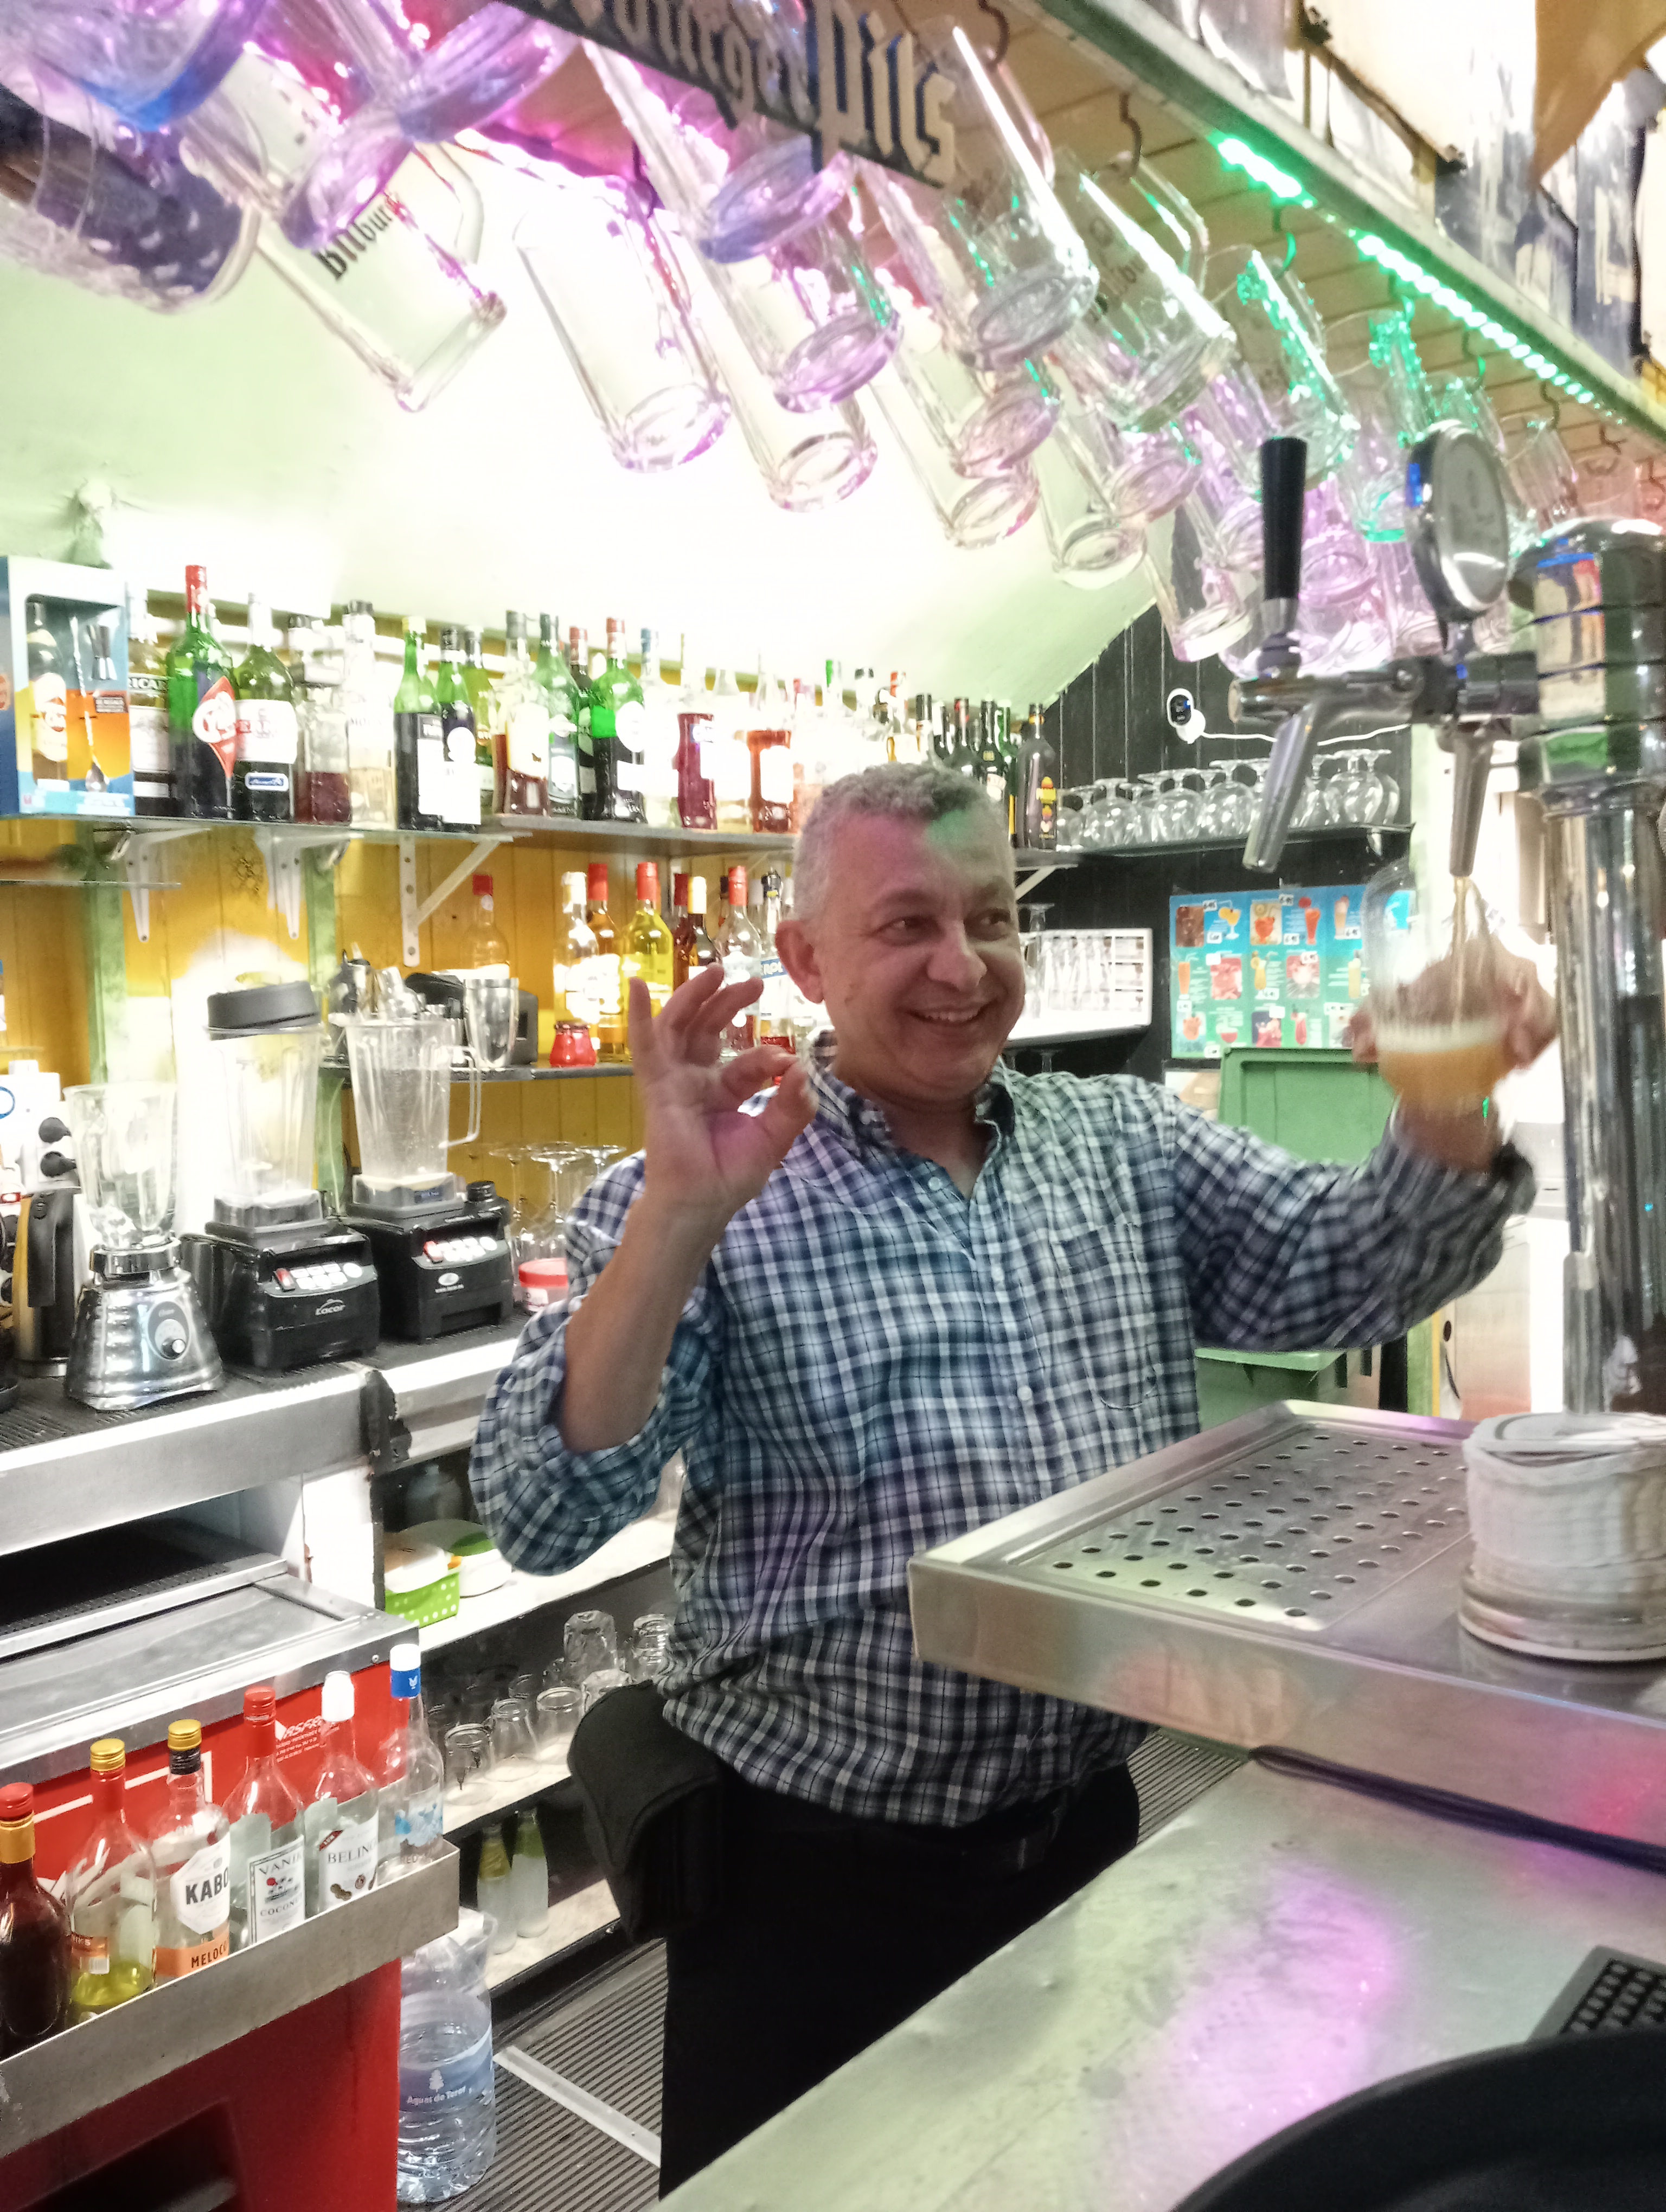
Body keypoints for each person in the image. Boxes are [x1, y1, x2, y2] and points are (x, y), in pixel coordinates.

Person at [471, 762, 1552, 2191]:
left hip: (1096, 1844)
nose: (962, 965)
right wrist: (676, 1217)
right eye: (906, 925)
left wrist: (1448, 1097)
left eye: (989, 918)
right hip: (809, 1894)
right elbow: (543, 1511)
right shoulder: (708, 1189)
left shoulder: (1122, 1143)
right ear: (806, 959)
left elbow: (1351, 1268)